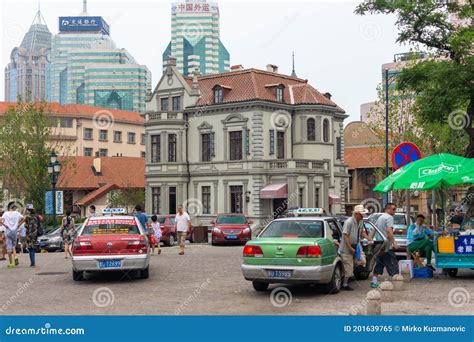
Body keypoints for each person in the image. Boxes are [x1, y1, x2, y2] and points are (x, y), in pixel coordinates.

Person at [339, 204, 371, 291]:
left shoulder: (360, 221)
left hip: (356, 246)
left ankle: (347, 273)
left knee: (362, 260)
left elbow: (361, 232)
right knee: (348, 267)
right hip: (346, 248)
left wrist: (368, 238)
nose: (362, 216)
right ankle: (344, 284)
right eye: (361, 214)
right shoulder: (349, 222)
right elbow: (345, 235)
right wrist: (349, 247)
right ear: (356, 214)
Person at [370, 202, 399, 288]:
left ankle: (374, 281)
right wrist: (394, 242)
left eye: (395, 209)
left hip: (379, 243)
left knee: (380, 262)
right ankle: (397, 282)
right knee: (393, 262)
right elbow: (389, 231)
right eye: (393, 209)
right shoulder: (389, 218)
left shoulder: (380, 217)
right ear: (388, 209)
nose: (394, 211)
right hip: (386, 244)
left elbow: (374, 229)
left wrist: (370, 239)